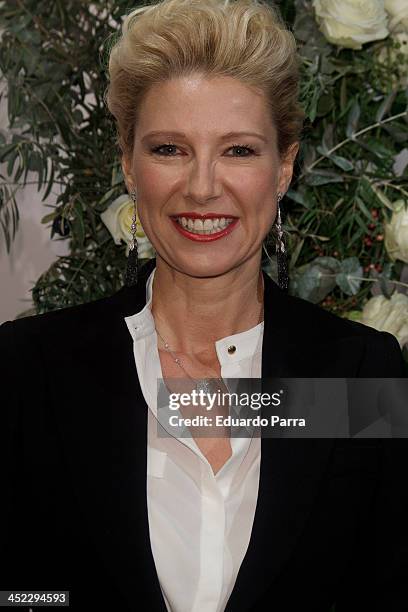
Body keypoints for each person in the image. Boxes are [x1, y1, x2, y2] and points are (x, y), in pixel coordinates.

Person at [1, 0, 407, 610]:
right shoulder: (30, 368)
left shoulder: (356, 373)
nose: (201, 186)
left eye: (239, 150)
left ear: (285, 168)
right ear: (128, 166)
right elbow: (20, 594)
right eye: (169, 149)